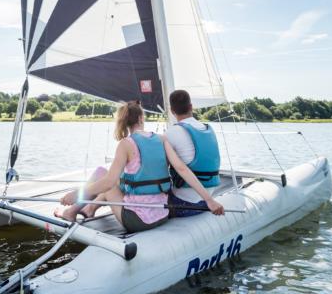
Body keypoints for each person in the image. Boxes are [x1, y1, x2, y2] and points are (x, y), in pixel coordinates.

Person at [57, 100, 224, 232]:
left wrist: (77, 194)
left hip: (137, 220)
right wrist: (209, 200)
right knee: (117, 178)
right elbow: (182, 169)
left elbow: (108, 183)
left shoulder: (125, 144)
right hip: (162, 214)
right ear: (141, 118)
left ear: (125, 121)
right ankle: (90, 209)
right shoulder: (161, 139)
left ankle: (71, 212)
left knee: (102, 173)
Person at [165, 89, 222, 217]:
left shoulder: (171, 133)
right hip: (208, 198)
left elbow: (161, 167)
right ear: (191, 106)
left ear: (172, 110)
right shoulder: (208, 129)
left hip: (185, 204)